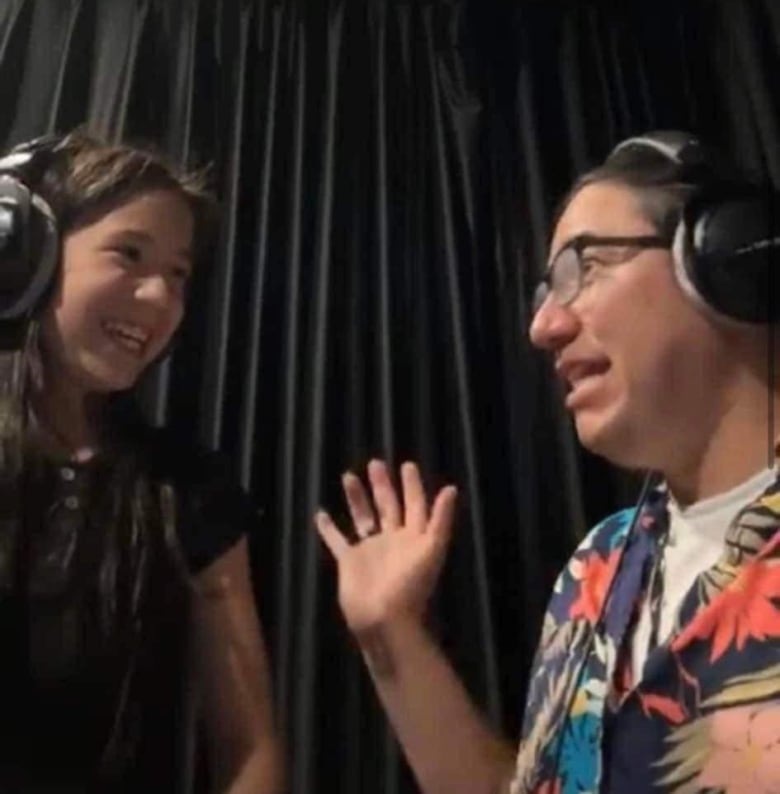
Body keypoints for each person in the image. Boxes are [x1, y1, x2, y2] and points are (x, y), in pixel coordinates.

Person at [315, 130, 780, 793]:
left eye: (582, 270)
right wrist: (391, 637)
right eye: (544, 292)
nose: (544, 328)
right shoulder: (600, 567)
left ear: (724, 260)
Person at [0, 129, 283, 792]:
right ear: (22, 256)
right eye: (129, 254)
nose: (161, 299)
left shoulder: (185, 491)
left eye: (178, 275)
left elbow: (251, 746)